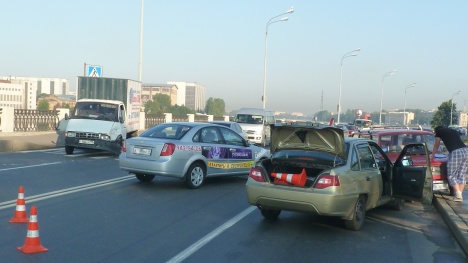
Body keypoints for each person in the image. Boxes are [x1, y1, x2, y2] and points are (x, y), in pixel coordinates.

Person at [432, 126, 468, 202]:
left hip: (455, 152)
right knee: (461, 174)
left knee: (451, 174)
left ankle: (458, 195)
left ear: (436, 130)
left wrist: (432, 155)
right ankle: (459, 196)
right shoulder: (454, 131)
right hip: (465, 151)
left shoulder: (439, 132)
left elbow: (436, 144)